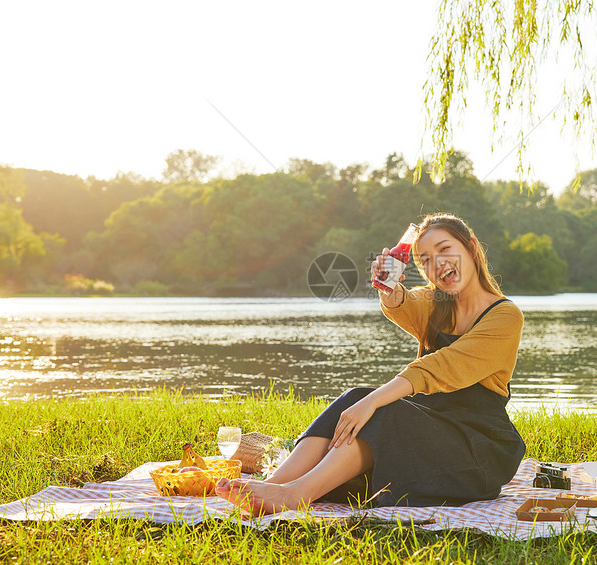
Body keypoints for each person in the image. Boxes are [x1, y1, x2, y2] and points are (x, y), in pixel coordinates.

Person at [216, 213, 526, 515]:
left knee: (380, 409)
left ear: (471, 247)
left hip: (478, 449)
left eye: (445, 249)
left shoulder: (504, 317)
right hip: (430, 433)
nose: (438, 263)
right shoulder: (437, 305)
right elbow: (405, 303)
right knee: (354, 397)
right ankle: (274, 485)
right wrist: (389, 289)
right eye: (426, 260)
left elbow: (443, 366)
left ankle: (295, 494)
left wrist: (373, 401)